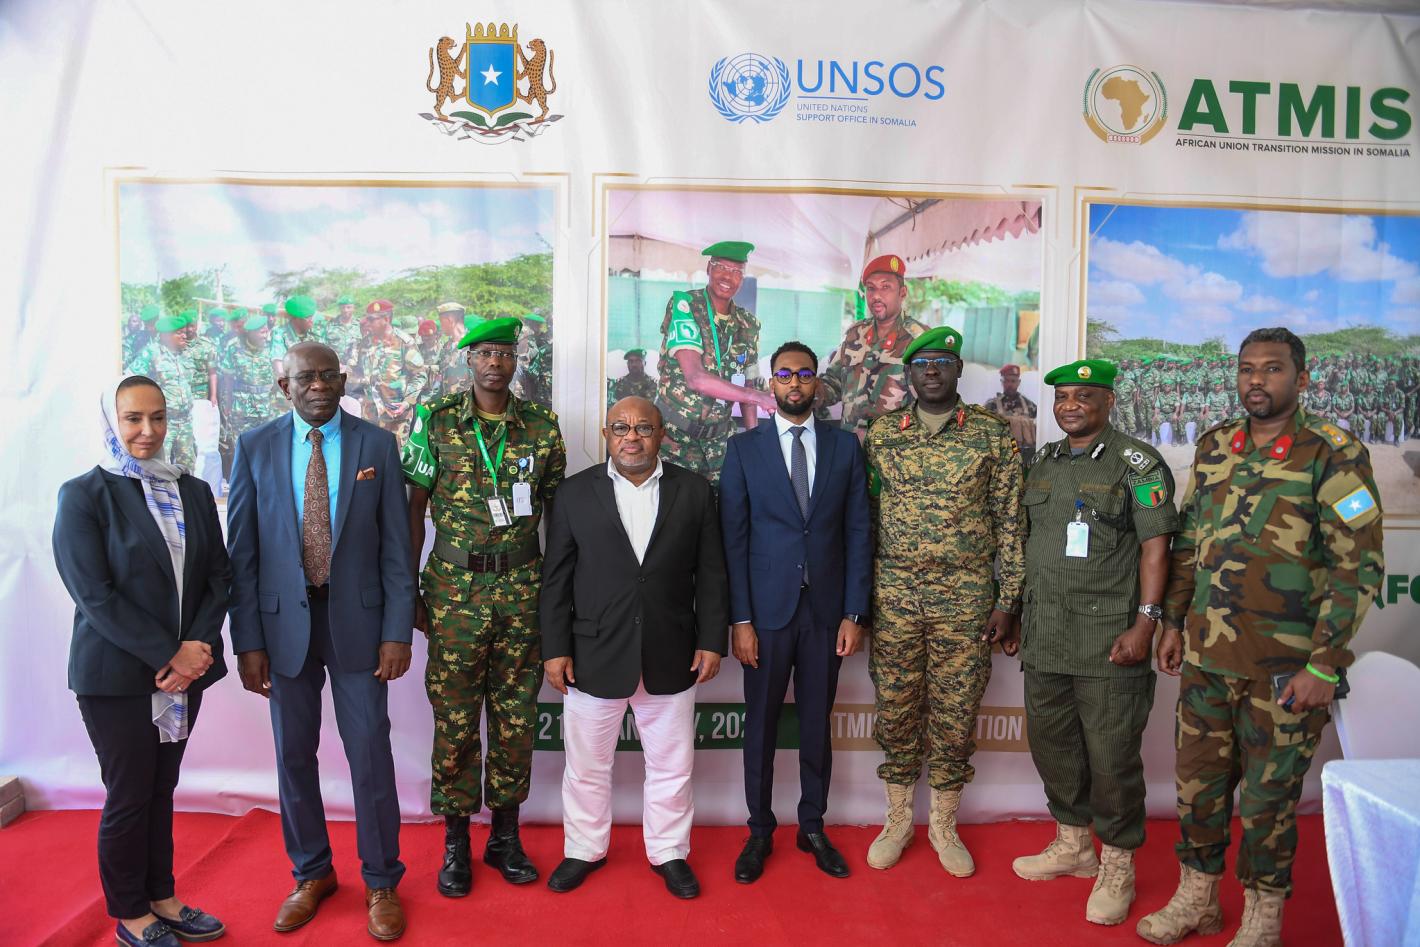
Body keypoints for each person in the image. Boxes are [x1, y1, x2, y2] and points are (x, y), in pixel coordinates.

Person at [1137, 328, 1385, 947]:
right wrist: (1173, 621)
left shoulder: (1333, 453)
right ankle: (1198, 898)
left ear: (1302, 379)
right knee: (1197, 789)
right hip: (1208, 659)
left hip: (1287, 670)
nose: (1256, 380)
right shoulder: (1216, 444)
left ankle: (1263, 915)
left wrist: (1325, 665)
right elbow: (1190, 542)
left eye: (1272, 369)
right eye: (1247, 368)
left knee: (1269, 801)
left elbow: (1358, 568)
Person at [226, 342, 415, 942]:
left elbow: (397, 548)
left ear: (342, 379)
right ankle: (312, 873)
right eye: (305, 377)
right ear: (284, 385)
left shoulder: (376, 446)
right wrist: (247, 641)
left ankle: (381, 879)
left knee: (370, 752)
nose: (318, 386)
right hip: (283, 627)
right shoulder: (254, 447)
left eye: (328, 375)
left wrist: (397, 631)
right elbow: (242, 554)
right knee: (292, 755)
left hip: (360, 624)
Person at [52, 376, 230, 947]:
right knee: (130, 794)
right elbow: (94, 594)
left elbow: (217, 577)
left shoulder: (192, 490)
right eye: (133, 419)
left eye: (157, 417)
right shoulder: (84, 495)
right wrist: (169, 652)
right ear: (113, 421)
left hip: (185, 674)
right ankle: (130, 913)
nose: (147, 431)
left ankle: (162, 897)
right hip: (117, 677)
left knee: (161, 788)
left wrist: (196, 649)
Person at [403, 316, 567, 897]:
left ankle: (504, 835)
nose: (496, 363)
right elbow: (413, 507)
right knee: (454, 718)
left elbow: (559, 517)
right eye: (485, 353)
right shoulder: (437, 420)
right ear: (468, 359)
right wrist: (408, 592)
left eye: (505, 353)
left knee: (515, 717)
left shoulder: (542, 425)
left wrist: (557, 597)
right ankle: (455, 840)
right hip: (454, 591)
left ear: (516, 360)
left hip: (522, 589)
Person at [539, 396, 728, 899]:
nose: (632, 437)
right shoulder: (574, 493)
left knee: (672, 766)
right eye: (620, 427)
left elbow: (712, 573)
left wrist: (712, 640)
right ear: (606, 434)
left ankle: (669, 852)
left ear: (661, 434)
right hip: (592, 652)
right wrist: (554, 648)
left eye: (643, 428)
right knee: (586, 766)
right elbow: (556, 579)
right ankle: (584, 848)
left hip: (673, 649)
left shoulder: (694, 490)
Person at [1012, 359, 1177, 928]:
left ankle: (1118, 865)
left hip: (1110, 639)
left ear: (1109, 401)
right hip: (1046, 636)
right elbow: (1033, 546)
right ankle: (1074, 845)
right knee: (1052, 746)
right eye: (1062, 397)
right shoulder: (1045, 461)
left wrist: (1147, 623)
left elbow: (1157, 548)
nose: (1070, 406)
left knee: (1112, 760)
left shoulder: (1137, 462)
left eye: (1084, 396)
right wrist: (1017, 613)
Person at [863, 325, 1025, 877]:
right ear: (909, 373)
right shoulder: (883, 434)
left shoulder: (991, 434)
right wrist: (860, 599)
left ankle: (943, 826)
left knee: (956, 713)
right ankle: (898, 821)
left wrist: (1009, 600)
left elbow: (1011, 522)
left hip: (967, 597)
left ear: (958, 370)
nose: (931, 371)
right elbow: (864, 519)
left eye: (942, 362)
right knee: (896, 708)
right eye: (921, 363)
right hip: (895, 596)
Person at [719, 341, 870, 883]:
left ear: (817, 384)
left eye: (804, 374)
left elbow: (858, 532)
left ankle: (812, 826)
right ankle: (759, 831)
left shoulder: (844, 447)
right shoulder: (743, 449)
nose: (795, 383)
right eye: (785, 375)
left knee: (815, 724)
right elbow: (733, 540)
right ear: (772, 383)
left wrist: (854, 612)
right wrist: (740, 620)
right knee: (760, 725)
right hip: (764, 615)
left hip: (825, 613)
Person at [655, 241, 776, 482]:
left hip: (719, 444)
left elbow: (749, 382)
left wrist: (752, 441)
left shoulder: (749, 325)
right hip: (675, 439)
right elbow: (695, 378)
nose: (727, 277)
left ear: (742, 277)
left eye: (736, 271)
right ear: (709, 268)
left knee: (723, 504)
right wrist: (757, 396)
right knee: (678, 504)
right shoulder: (685, 306)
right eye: (721, 267)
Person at [817, 254, 930, 440]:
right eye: (871, 288)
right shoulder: (855, 334)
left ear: (902, 293)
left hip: (895, 451)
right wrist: (810, 391)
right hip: (851, 446)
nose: (876, 296)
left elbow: (931, 403)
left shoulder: (920, 339)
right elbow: (833, 384)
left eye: (885, 287)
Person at [130, 314, 198, 471]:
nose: (184, 335)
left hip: (185, 421)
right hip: (163, 423)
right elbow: (131, 381)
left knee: (187, 467)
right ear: (166, 335)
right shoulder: (151, 353)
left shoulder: (185, 353)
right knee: (160, 468)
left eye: (184, 332)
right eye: (179, 333)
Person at [355, 299, 428, 441]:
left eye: (372, 319)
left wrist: (407, 402)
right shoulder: (365, 342)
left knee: (396, 453)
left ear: (386, 319)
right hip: (370, 414)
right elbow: (359, 371)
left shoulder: (404, 342)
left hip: (395, 416)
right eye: (367, 319)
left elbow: (419, 375)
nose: (368, 323)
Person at [982, 363, 1038, 460]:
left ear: (1019, 382)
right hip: (999, 457)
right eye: (1007, 381)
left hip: (1025, 457)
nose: (1010, 384)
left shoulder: (1030, 406)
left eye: (1013, 381)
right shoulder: (991, 405)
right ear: (1002, 382)